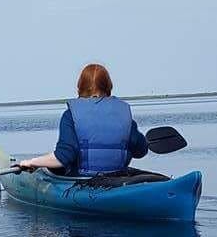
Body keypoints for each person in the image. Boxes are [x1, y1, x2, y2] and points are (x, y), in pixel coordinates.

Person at [17, 63, 150, 176]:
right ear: (109, 86)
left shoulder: (70, 116)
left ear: (80, 87)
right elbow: (140, 151)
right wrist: (144, 142)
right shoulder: (124, 115)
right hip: (118, 179)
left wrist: (31, 162)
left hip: (83, 181)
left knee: (57, 168)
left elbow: (63, 157)